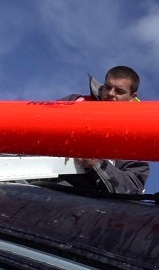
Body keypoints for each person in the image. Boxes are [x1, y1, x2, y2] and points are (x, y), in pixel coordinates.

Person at [54, 65, 151, 194]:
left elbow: (132, 186)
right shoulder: (74, 102)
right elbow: (42, 119)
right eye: (108, 87)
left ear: (132, 97)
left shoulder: (134, 137)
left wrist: (97, 163)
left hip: (78, 196)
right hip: (33, 176)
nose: (111, 93)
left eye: (119, 91)